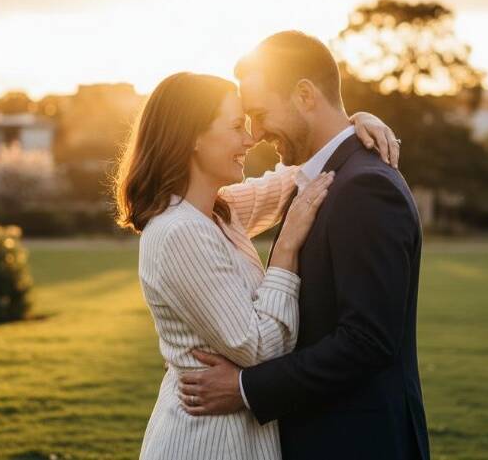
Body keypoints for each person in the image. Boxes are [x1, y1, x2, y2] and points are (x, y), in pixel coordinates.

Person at [114, 70, 398, 459]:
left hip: (238, 435)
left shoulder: (218, 213)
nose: (251, 139)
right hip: (206, 442)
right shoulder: (179, 232)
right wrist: (285, 253)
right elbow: (259, 350)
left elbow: (296, 177)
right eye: (236, 126)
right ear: (192, 137)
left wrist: (352, 123)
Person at [178, 31, 430, 460]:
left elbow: (367, 340)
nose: (254, 133)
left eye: (259, 113)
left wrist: (244, 388)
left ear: (305, 95)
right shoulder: (313, 178)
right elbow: (187, 208)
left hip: (358, 442)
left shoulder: (365, 187)